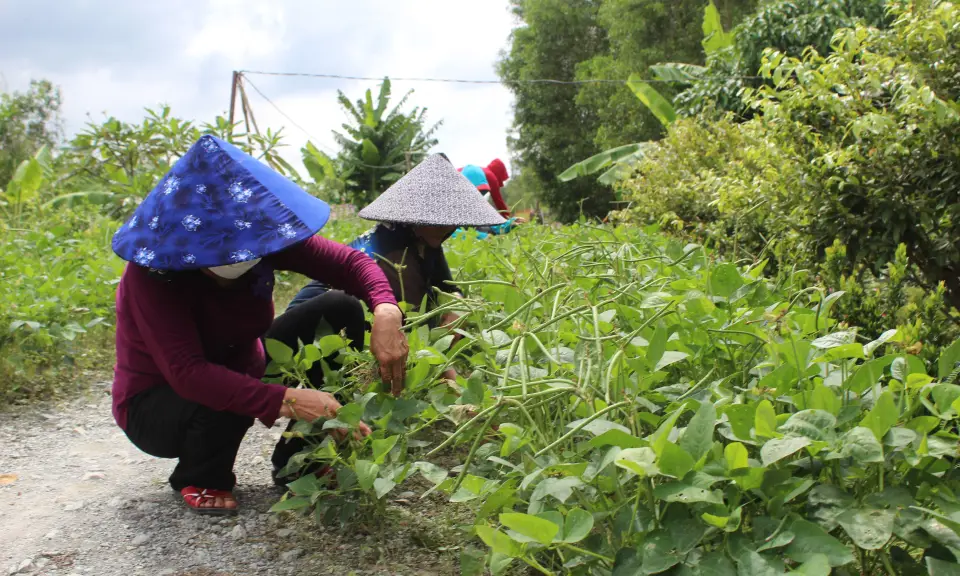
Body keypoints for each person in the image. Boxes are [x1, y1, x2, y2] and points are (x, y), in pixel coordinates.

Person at [110, 135, 409, 515]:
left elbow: (351, 264)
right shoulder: (152, 274)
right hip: (160, 401)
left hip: (239, 365)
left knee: (341, 308)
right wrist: (288, 400)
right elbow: (189, 373)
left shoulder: (259, 236)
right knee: (218, 387)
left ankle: (304, 457)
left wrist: (386, 310)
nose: (244, 262)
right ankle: (200, 474)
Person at [284, 153, 507, 384]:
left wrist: (458, 307)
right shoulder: (394, 254)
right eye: (441, 219)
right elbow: (411, 333)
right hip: (308, 336)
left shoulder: (424, 241)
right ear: (417, 217)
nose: (450, 226)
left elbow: (448, 288)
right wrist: (456, 387)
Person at [453, 164, 525, 240]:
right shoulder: (450, 206)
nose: (479, 196)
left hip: (476, 240)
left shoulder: (478, 206)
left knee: (485, 229)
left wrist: (508, 224)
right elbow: (449, 234)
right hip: (461, 245)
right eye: (476, 192)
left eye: (481, 193)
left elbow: (491, 224)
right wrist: (481, 237)